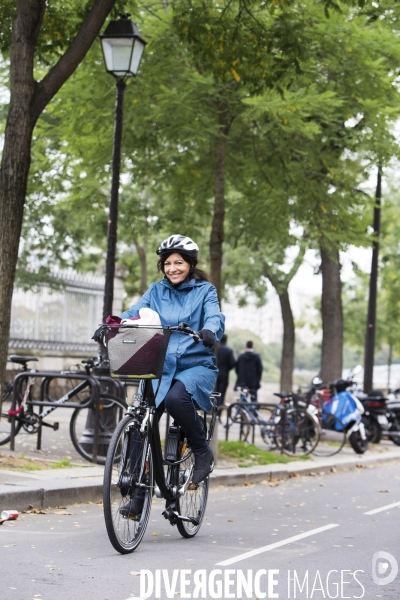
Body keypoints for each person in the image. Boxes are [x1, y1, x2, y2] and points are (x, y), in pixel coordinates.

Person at [115, 234, 224, 519]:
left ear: (190, 264)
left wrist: (210, 330)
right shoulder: (155, 290)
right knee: (141, 422)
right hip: (160, 365)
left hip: (195, 364)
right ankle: (140, 495)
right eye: (167, 263)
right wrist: (112, 323)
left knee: (177, 398)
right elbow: (135, 312)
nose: (172, 268)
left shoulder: (205, 291)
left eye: (179, 263)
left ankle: (202, 451)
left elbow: (215, 316)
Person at [216, 334, 236, 408]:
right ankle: (218, 413)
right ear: (226, 340)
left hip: (213, 374)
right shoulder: (229, 350)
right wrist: (226, 369)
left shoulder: (215, 348)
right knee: (221, 394)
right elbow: (232, 363)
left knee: (212, 394)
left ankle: (211, 411)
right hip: (224, 374)